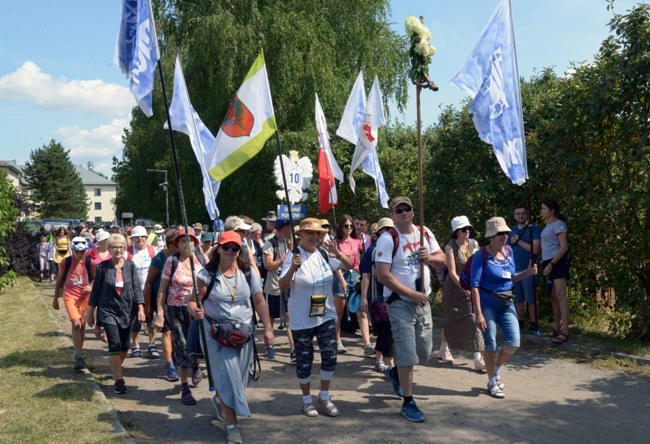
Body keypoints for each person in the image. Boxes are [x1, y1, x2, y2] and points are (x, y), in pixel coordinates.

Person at [191, 231, 274, 444]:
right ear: (218, 248)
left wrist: (268, 329)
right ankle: (232, 425)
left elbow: (260, 301)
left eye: (234, 248)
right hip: (215, 335)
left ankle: (220, 398)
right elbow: (192, 302)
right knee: (228, 376)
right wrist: (195, 311)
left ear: (240, 251)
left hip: (244, 334)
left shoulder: (248, 273)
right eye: (226, 247)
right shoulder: (206, 274)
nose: (230, 251)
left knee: (241, 378)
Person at [375, 196, 445, 422]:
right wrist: (410, 293)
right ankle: (408, 402)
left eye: (407, 209)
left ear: (413, 212)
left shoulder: (424, 232)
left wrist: (430, 257)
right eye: (399, 210)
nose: (404, 213)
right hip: (400, 303)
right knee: (407, 354)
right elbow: (383, 275)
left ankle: (394, 372)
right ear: (393, 215)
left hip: (423, 301)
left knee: (423, 352)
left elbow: (442, 259)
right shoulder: (388, 239)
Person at [279, 218, 352, 418]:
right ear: (300, 236)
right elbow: (282, 287)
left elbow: (351, 265)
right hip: (301, 317)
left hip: (325, 316)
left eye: (318, 234)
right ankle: (306, 400)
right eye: (310, 233)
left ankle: (325, 396)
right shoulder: (293, 256)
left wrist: (339, 254)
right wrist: (293, 268)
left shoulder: (323, 254)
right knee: (305, 360)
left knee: (330, 355)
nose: (315, 237)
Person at [471, 217, 537, 398]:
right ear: (491, 236)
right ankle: (492, 381)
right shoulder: (481, 255)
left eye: (506, 232)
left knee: (514, 342)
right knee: (490, 342)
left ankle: (495, 368)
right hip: (487, 304)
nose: (505, 236)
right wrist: (478, 313)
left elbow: (510, 277)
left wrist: (527, 273)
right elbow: (474, 285)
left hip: (507, 303)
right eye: (501, 233)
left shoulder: (509, 251)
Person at [86, 234, 146, 394]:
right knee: (115, 344)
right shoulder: (102, 267)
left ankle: (115, 367)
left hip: (127, 310)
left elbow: (137, 289)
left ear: (124, 249)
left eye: (121, 247)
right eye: (114, 247)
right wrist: (91, 314)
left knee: (125, 346)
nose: (118, 250)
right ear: (110, 249)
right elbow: (96, 291)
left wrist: (141, 308)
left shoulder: (131, 266)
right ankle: (119, 381)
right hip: (108, 310)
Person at [154, 227, 203, 405]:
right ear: (178, 244)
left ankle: (196, 365)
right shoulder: (171, 261)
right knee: (182, 346)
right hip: (175, 309)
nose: (187, 244)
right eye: (183, 241)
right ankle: (185, 388)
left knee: (197, 344)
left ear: (195, 243)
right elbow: (162, 289)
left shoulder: (200, 260)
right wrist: (160, 313)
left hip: (196, 310)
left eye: (190, 240)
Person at [440, 216, 485, 370]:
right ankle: (444, 347)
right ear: (456, 232)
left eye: (469, 229)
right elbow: (452, 273)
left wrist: (475, 287)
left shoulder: (474, 244)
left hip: (471, 286)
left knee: (473, 319)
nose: (468, 232)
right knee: (450, 320)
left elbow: (478, 265)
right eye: (464, 229)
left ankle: (478, 358)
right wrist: (465, 290)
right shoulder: (450, 247)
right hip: (453, 288)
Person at [53, 237, 96, 370]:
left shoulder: (90, 263)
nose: (79, 254)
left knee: (82, 326)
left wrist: (90, 285)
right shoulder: (65, 263)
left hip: (84, 298)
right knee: (76, 323)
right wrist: (55, 298)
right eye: (77, 251)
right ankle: (79, 356)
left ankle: (79, 353)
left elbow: (95, 279)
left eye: (82, 251)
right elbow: (60, 280)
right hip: (69, 296)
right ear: (72, 250)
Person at [333, 215, 372, 355]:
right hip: (340, 276)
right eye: (346, 226)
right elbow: (334, 263)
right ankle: (337, 341)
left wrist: (361, 276)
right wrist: (341, 279)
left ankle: (367, 344)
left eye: (351, 226)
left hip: (355, 276)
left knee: (361, 310)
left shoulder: (357, 241)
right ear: (340, 227)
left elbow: (359, 260)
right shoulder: (335, 242)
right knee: (339, 312)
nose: (349, 228)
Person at [360, 217, 396, 372]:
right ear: (378, 233)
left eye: (390, 229)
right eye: (385, 230)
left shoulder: (397, 249)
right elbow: (366, 276)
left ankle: (378, 359)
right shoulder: (371, 251)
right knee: (387, 327)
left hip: (394, 295)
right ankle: (390, 365)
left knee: (384, 329)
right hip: (376, 296)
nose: (388, 233)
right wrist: (363, 298)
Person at [144, 229, 179, 381]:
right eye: (178, 243)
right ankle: (170, 365)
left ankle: (176, 358)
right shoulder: (159, 259)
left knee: (177, 333)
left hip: (178, 300)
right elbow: (148, 283)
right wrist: (147, 306)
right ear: (170, 245)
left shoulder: (184, 258)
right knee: (167, 332)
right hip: (161, 298)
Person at [507, 205, 542, 331]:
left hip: (529, 269)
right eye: (518, 213)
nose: (520, 216)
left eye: (523, 213)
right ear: (514, 215)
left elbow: (536, 249)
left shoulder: (534, 229)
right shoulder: (511, 230)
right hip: (514, 270)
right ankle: (519, 322)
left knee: (531, 298)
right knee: (518, 298)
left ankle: (534, 323)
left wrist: (519, 241)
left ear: (527, 214)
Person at [540, 199, 570, 344]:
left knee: (560, 295)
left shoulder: (559, 224)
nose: (541, 211)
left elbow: (564, 247)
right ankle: (557, 327)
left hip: (557, 262)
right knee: (553, 296)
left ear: (552, 211)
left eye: (544, 209)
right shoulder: (548, 224)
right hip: (548, 262)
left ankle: (565, 331)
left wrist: (552, 263)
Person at [261, 219, 292, 360]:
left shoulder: (287, 243)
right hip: (272, 288)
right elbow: (269, 265)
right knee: (270, 320)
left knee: (289, 317)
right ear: (285, 228)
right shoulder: (269, 244)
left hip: (285, 287)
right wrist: (283, 259)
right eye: (289, 228)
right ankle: (269, 347)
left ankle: (293, 349)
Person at [127, 226, 158, 358]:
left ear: (146, 238)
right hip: (133, 291)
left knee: (151, 318)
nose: (140, 239)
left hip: (150, 291)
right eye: (137, 237)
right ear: (132, 239)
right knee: (135, 320)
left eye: (143, 237)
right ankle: (136, 346)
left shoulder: (152, 251)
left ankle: (152, 344)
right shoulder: (127, 253)